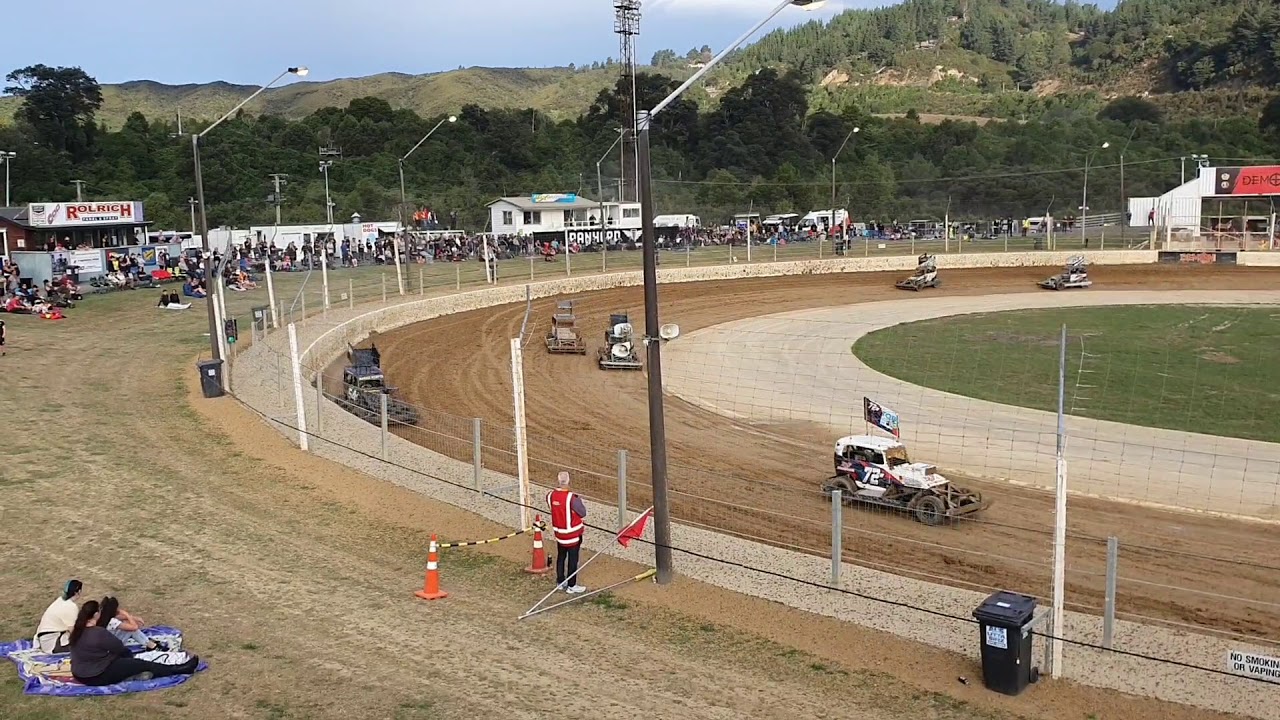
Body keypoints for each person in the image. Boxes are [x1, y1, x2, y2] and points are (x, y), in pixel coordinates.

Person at [68, 601, 199, 686]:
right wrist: (128, 658)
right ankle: (179, 669)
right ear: (96, 614)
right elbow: (119, 648)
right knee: (141, 664)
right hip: (96, 675)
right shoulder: (98, 632)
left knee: (128, 664)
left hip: (79, 673)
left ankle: (132, 672)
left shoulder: (77, 630)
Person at [546, 471, 587, 594]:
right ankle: (571, 585)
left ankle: (560, 581)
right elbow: (582, 513)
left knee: (561, 557)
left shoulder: (550, 496)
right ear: (568, 481)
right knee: (573, 560)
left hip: (559, 534)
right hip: (572, 535)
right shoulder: (572, 498)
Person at [97, 596, 165, 652]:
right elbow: (134, 627)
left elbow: (120, 617)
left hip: (105, 642)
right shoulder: (112, 621)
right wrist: (126, 614)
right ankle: (150, 645)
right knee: (131, 630)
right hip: (111, 647)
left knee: (127, 624)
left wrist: (134, 618)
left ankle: (148, 643)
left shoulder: (102, 616)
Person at [34, 580, 83, 653]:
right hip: (52, 643)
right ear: (78, 592)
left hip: (45, 640)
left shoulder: (60, 601)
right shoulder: (70, 606)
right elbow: (73, 630)